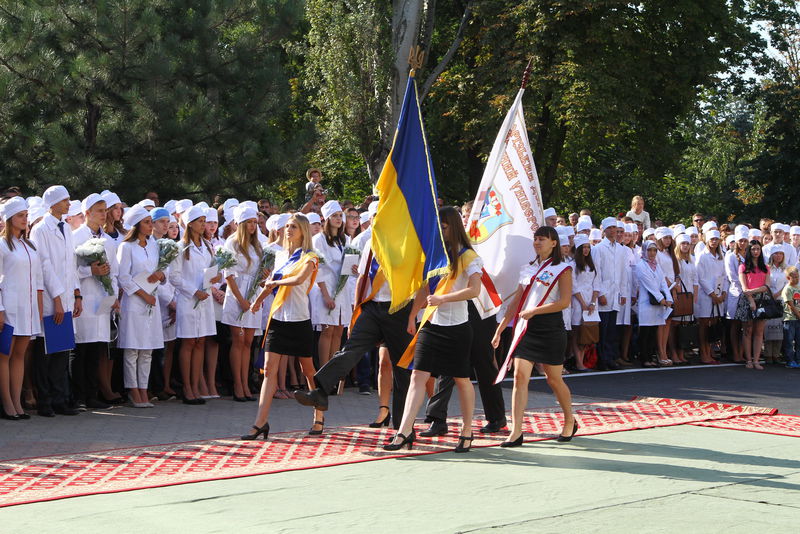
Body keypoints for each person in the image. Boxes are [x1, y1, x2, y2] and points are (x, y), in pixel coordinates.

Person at [384, 207, 482, 452]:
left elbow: (475, 290)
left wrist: (444, 299)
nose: (441, 231)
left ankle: (467, 431)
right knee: (418, 375)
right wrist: (412, 316)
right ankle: (404, 431)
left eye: (445, 227)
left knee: (461, 379)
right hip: (431, 324)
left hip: (457, 327)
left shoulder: (468, 256)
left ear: (454, 227)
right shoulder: (435, 255)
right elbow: (425, 288)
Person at [491, 226, 576, 447]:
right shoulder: (527, 269)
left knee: (553, 379)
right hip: (526, 329)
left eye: (542, 239)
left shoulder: (563, 268)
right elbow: (516, 302)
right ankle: (516, 430)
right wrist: (500, 328)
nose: (537, 242)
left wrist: (535, 311)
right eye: (536, 239)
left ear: (554, 243)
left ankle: (570, 420)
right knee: (519, 377)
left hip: (550, 328)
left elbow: (564, 302)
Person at [242, 214, 321, 439]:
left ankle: (319, 415)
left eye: (293, 227)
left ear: (303, 231)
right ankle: (260, 423)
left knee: (308, 370)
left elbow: (297, 280)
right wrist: (258, 300)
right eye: (287, 226)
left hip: (299, 319)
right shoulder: (279, 256)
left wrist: (275, 282)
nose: (288, 230)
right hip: (279, 319)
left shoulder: (310, 257)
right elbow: (271, 283)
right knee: (269, 370)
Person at [29, 185, 83, 417]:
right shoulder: (40, 230)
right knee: (46, 352)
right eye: (65, 200)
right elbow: (45, 266)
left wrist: (76, 294)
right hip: (52, 300)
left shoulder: (66, 228)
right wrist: (58, 299)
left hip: (67, 297)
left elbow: (70, 265)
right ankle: (45, 400)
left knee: (61, 350)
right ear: (52, 203)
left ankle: (60, 398)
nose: (69, 204)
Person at [169, 206, 221, 404]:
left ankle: (197, 386)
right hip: (188, 300)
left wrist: (215, 278)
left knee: (201, 341)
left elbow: (213, 271)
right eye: (200, 221)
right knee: (189, 342)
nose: (203, 224)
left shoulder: (207, 246)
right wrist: (193, 291)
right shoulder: (181, 248)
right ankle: (187, 387)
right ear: (190, 224)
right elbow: (174, 277)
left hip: (205, 299)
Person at [71, 194, 118, 410]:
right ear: (87, 213)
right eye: (99, 210)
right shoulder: (76, 236)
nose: (104, 214)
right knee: (82, 348)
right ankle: (78, 395)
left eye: (105, 210)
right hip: (84, 298)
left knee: (98, 349)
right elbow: (70, 270)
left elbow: (114, 272)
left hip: (102, 299)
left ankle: (92, 394)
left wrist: (114, 295)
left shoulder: (108, 240)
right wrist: (90, 270)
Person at [116, 206, 165, 408]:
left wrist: (161, 276)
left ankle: (144, 389)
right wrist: (143, 294)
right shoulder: (126, 247)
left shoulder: (154, 245)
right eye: (146, 222)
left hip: (152, 302)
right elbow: (123, 277)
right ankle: (133, 390)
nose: (150, 225)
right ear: (136, 225)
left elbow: (161, 270)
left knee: (147, 350)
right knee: (133, 349)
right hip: (135, 302)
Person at [0, 197, 44, 420]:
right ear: (8, 219)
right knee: (5, 355)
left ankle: (17, 402)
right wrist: (0, 310)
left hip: (27, 310)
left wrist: (37, 310)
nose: (25, 219)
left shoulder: (29, 245)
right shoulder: (1, 245)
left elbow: (37, 281)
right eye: (20, 216)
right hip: (9, 308)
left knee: (19, 355)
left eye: (26, 215)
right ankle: (7, 403)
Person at [221, 206, 263, 401]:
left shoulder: (256, 245)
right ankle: (237, 385)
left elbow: (259, 272)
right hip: (238, 294)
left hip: (253, 294)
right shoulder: (232, 243)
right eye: (250, 222)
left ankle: (246, 383)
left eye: (255, 222)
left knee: (248, 342)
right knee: (238, 341)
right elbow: (228, 275)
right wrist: (241, 300)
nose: (253, 226)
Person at [311, 201, 354, 374]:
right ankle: (323, 371)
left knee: (338, 330)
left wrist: (354, 268)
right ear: (327, 219)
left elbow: (350, 263)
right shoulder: (318, 240)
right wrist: (326, 295)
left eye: (339, 215)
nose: (338, 219)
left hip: (342, 288)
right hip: (326, 287)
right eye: (334, 216)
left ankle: (332, 372)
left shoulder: (345, 239)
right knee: (327, 330)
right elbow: (318, 267)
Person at [635, 242, 674, 367]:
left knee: (653, 331)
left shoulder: (656, 266)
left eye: (654, 250)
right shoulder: (641, 265)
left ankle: (651, 356)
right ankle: (644, 358)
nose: (652, 253)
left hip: (658, 303)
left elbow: (663, 283)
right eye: (650, 250)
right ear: (645, 251)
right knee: (645, 331)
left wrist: (669, 298)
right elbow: (649, 284)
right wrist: (662, 299)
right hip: (647, 303)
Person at [735, 241, 770, 370]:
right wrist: (751, 300)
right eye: (753, 249)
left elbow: (767, 286)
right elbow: (744, 287)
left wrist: (753, 291)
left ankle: (756, 360)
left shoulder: (765, 267)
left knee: (759, 331)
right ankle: (748, 360)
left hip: (761, 299)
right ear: (749, 251)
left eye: (758, 249)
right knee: (748, 330)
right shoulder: (743, 267)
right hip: (747, 300)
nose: (756, 251)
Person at [695, 230, 727, 364]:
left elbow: (724, 276)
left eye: (716, 239)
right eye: (711, 239)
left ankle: (710, 352)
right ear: (707, 241)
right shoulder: (702, 256)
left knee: (713, 323)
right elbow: (701, 278)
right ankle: (704, 353)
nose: (714, 242)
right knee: (704, 324)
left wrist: (723, 293)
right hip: (706, 296)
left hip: (718, 296)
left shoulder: (721, 257)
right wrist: (713, 294)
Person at [570, 235, 600, 371]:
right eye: (584, 247)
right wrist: (582, 303)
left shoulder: (592, 265)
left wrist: (593, 302)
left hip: (591, 302)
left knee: (587, 332)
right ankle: (578, 362)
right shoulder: (573, 265)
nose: (586, 250)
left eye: (588, 247)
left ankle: (582, 360)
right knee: (578, 332)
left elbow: (597, 283)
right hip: (578, 302)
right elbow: (574, 286)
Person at [725, 225, 749, 363]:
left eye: (745, 241)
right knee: (735, 324)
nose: (742, 243)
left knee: (746, 325)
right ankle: (735, 353)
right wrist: (745, 288)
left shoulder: (750, 255)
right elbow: (732, 276)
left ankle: (743, 352)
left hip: (749, 293)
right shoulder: (730, 256)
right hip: (736, 292)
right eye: (740, 241)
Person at [781, 267, 800, 368]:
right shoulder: (787, 289)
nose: (797, 279)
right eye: (794, 277)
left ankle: (798, 360)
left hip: (798, 319)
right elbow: (791, 305)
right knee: (789, 341)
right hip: (790, 319)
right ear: (788, 278)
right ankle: (790, 361)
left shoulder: (798, 288)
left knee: (798, 341)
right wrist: (798, 315)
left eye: (798, 277)